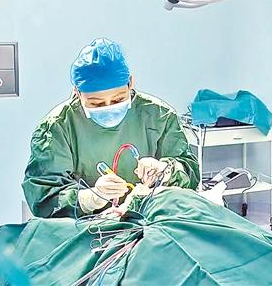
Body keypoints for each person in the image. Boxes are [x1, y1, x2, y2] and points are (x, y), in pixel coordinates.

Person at [23, 38, 200, 217]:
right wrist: (89, 198)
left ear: (130, 83)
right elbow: (43, 196)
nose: (108, 109)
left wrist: (166, 170)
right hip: (87, 228)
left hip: (151, 222)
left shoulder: (159, 116)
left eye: (118, 99)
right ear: (77, 92)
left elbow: (190, 174)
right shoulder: (57, 128)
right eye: (96, 103)